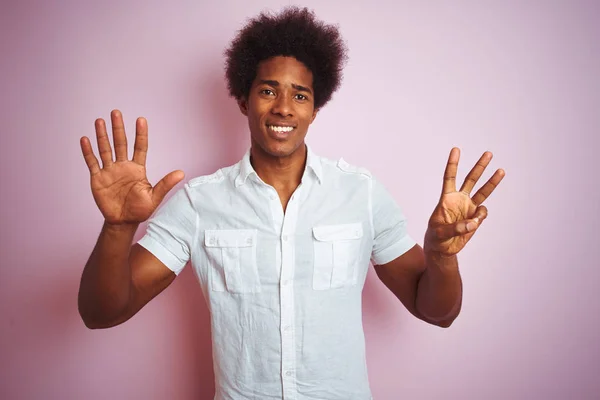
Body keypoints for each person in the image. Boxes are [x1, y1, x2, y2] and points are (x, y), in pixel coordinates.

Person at [78, 6, 505, 400]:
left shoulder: (361, 193)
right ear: (243, 101)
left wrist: (440, 257)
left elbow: (437, 312)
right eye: (268, 91)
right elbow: (102, 313)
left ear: (315, 109)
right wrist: (118, 229)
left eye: (300, 95)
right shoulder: (197, 203)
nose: (283, 108)